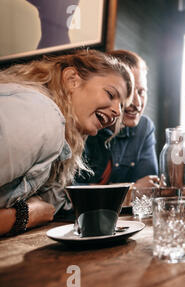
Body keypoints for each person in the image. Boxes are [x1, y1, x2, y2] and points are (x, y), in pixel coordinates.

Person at [0, 49, 134, 236]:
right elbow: (41, 210)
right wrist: (25, 216)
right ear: (73, 80)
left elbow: (52, 199)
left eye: (121, 105)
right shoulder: (42, 116)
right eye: (111, 94)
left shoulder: (59, 133)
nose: (118, 112)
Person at [75, 50, 159, 189]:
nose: (137, 104)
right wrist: (130, 191)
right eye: (129, 92)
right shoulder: (83, 123)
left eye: (141, 92)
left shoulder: (143, 128)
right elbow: (64, 192)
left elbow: (147, 188)